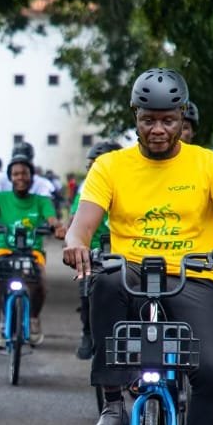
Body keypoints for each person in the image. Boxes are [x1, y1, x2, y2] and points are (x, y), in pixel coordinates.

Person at [63, 68, 213, 425]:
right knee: (102, 284)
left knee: (210, 370)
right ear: (136, 118)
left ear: (181, 117)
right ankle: (112, 405)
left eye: (168, 120)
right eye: (149, 120)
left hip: (193, 276)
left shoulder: (211, 164)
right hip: (131, 272)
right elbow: (84, 223)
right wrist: (75, 242)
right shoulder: (110, 166)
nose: (159, 130)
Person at [58, 140, 123, 359]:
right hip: (94, 248)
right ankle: (88, 332)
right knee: (88, 291)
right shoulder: (89, 185)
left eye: (100, 163)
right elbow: (77, 217)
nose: (94, 170)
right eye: (91, 166)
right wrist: (73, 241)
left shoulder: (129, 182)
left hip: (125, 250)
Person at [0, 152, 58, 349]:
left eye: (25, 173)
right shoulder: (0, 198)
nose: (21, 178)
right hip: (4, 250)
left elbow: (51, 218)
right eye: (16, 174)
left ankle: (34, 318)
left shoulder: (41, 201)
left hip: (32, 252)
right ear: (10, 178)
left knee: (40, 283)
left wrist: (56, 226)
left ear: (31, 176)